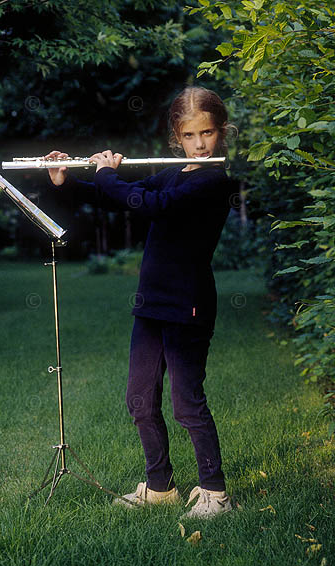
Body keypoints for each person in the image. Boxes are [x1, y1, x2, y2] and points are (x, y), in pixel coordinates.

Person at [46, 86, 235, 519]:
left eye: (207, 133)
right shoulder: (174, 173)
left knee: (187, 402)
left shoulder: (211, 181)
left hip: (187, 303)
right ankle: (160, 485)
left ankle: (215, 493)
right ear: (177, 136)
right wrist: (68, 180)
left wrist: (107, 173)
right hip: (151, 301)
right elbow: (117, 197)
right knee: (139, 399)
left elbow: (150, 205)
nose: (200, 143)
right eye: (190, 136)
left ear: (221, 132)